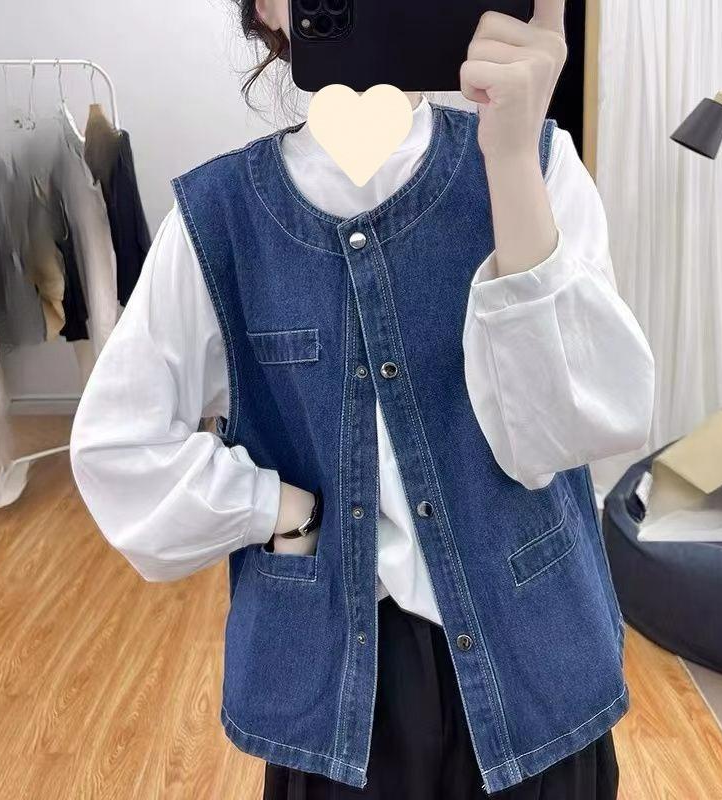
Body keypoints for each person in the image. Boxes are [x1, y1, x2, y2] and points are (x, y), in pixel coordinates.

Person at [70, 1, 655, 797]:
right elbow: (117, 444)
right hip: (339, 695)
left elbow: (569, 434)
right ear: (266, 9)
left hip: (533, 665)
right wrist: (274, 508)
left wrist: (513, 159)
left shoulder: (539, 164)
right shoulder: (219, 218)